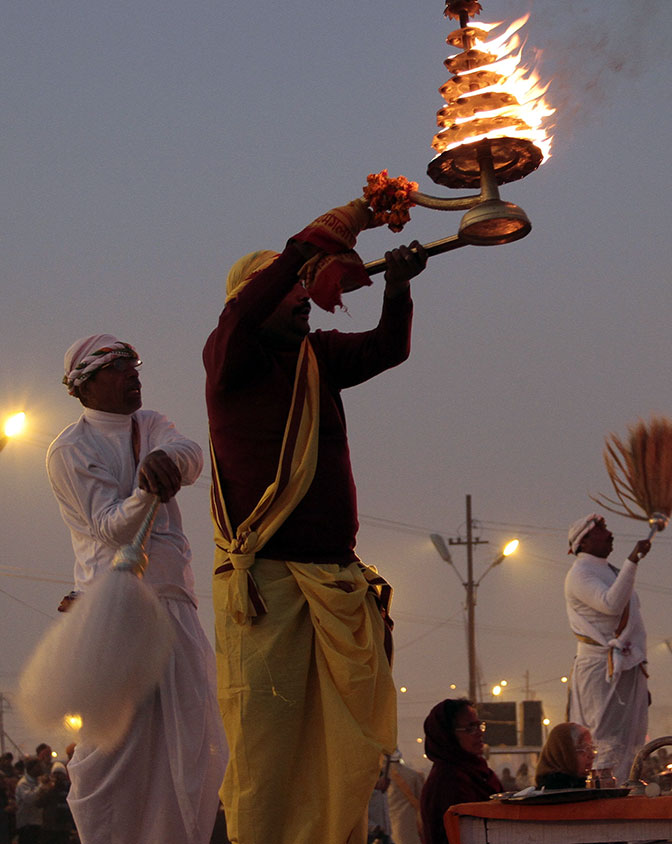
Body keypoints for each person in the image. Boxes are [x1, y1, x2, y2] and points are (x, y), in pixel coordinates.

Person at [205, 198, 428, 844]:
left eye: (306, 287)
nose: (305, 298)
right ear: (254, 299)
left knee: (346, 758)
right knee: (269, 758)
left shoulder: (316, 358)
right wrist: (308, 248)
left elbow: (390, 348)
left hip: (334, 587)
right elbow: (247, 310)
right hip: (268, 597)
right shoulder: (230, 361)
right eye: (291, 289)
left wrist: (398, 288)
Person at [47, 333, 227, 844]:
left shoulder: (150, 424)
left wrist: (170, 463)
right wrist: (148, 487)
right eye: (119, 367)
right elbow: (108, 527)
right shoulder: (70, 449)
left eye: (135, 364)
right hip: (117, 614)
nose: (133, 374)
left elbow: (190, 454)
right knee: (114, 755)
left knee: (193, 741)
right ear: (86, 385)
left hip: (175, 604)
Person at [563, 514, 652, 781]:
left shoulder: (610, 570)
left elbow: (631, 618)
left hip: (626, 665)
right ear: (584, 540)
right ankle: (604, 793)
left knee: (630, 735)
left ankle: (626, 788)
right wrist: (632, 561)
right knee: (602, 737)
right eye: (601, 529)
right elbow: (610, 604)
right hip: (599, 668)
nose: (610, 533)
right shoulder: (579, 574)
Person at [419, 700, 501, 844]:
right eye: (470, 728)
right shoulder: (447, 781)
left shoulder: (478, 772)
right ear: (447, 735)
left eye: (479, 725)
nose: (480, 733)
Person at [378, 754, 424, 844]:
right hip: (409, 825)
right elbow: (421, 800)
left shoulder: (376, 777)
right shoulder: (414, 775)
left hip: (383, 827)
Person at [534, 723, 595, 790]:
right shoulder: (551, 796)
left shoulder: (579, 788)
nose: (592, 755)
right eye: (584, 748)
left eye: (591, 747)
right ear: (563, 753)